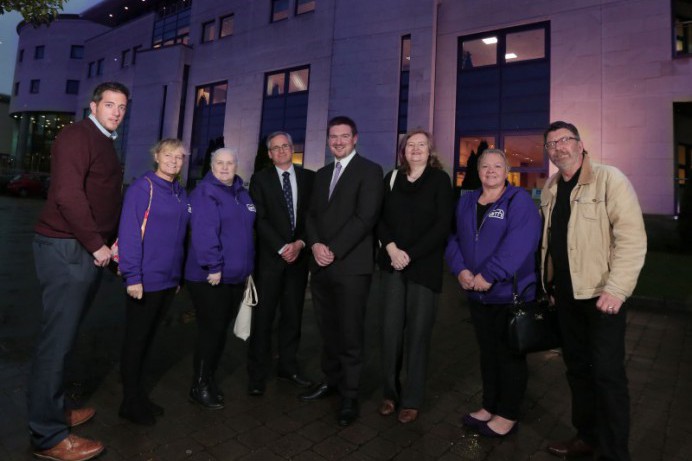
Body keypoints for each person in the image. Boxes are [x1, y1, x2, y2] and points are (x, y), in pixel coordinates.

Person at [29, 81, 129, 461]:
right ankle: (48, 435)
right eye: (109, 104)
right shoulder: (77, 136)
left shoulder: (103, 140)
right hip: (67, 249)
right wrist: (97, 244)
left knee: (66, 339)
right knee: (55, 344)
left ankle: (54, 410)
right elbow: (68, 196)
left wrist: (114, 239)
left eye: (122, 106)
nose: (117, 111)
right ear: (94, 105)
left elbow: (102, 196)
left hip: (83, 249)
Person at [541, 121, 646, 460]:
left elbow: (631, 237)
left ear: (580, 144)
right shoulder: (551, 188)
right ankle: (587, 437)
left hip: (602, 297)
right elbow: (552, 243)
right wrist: (551, 284)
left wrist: (617, 289)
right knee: (578, 371)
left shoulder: (609, 179)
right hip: (568, 298)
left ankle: (616, 452)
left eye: (565, 140)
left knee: (607, 376)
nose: (558, 147)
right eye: (551, 143)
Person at [445, 148, 541, 438]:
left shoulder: (519, 201)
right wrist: (460, 269)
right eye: (484, 166)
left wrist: (490, 274)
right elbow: (452, 238)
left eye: (497, 166)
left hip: (508, 295)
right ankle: (490, 406)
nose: (490, 171)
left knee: (509, 355)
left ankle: (508, 414)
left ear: (506, 170)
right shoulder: (467, 201)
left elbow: (521, 242)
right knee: (488, 354)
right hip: (478, 295)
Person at [301, 116, 384, 426]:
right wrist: (315, 245)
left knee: (350, 333)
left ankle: (350, 395)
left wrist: (332, 249)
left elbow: (366, 218)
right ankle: (331, 381)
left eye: (344, 136)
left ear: (355, 138)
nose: (338, 141)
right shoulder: (321, 175)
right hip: (321, 266)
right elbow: (310, 215)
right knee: (328, 330)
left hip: (351, 266)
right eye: (333, 136)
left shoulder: (370, 171)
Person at [377, 129, 453, 424]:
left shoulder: (439, 180)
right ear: (403, 150)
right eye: (411, 145)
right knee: (390, 331)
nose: (416, 149)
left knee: (418, 334)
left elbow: (442, 224)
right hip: (392, 264)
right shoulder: (392, 178)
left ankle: (411, 399)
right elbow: (379, 217)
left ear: (430, 150)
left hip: (424, 267)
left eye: (422, 145)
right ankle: (389, 393)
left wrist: (410, 254)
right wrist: (393, 249)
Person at [117, 139, 190, 425]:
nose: (173, 160)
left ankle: (139, 395)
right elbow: (130, 233)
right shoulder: (142, 188)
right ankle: (129, 402)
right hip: (144, 280)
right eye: (168, 155)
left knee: (148, 341)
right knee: (135, 341)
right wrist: (133, 276)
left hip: (167, 280)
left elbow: (181, 237)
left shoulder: (180, 192)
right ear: (156, 156)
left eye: (179, 156)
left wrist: (178, 276)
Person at [185, 147, 256, 410]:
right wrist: (213, 266)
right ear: (211, 166)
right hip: (210, 277)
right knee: (210, 331)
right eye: (219, 162)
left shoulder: (241, 193)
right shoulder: (206, 193)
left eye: (230, 163)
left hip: (234, 277)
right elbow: (205, 233)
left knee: (219, 331)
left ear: (237, 165)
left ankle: (209, 379)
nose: (225, 167)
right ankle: (199, 386)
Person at [247, 131, 315, 396]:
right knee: (263, 319)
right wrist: (281, 247)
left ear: (292, 148)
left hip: (299, 260)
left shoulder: (309, 178)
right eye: (275, 148)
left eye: (285, 145)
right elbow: (260, 219)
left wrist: (300, 244)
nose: (281, 151)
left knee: (293, 317)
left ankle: (288, 367)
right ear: (270, 153)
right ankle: (256, 374)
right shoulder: (260, 179)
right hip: (270, 262)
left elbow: (313, 216)